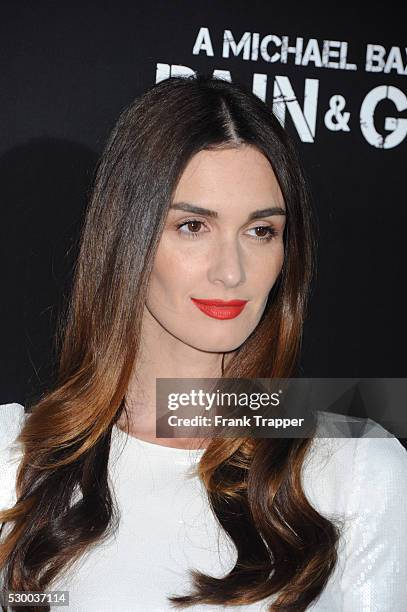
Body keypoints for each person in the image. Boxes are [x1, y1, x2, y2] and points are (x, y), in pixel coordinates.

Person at [1, 74, 406, 612]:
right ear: (128, 238)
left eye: (261, 231)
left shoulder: (356, 468)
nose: (231, 272)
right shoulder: (14, 463)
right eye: (193, 226)